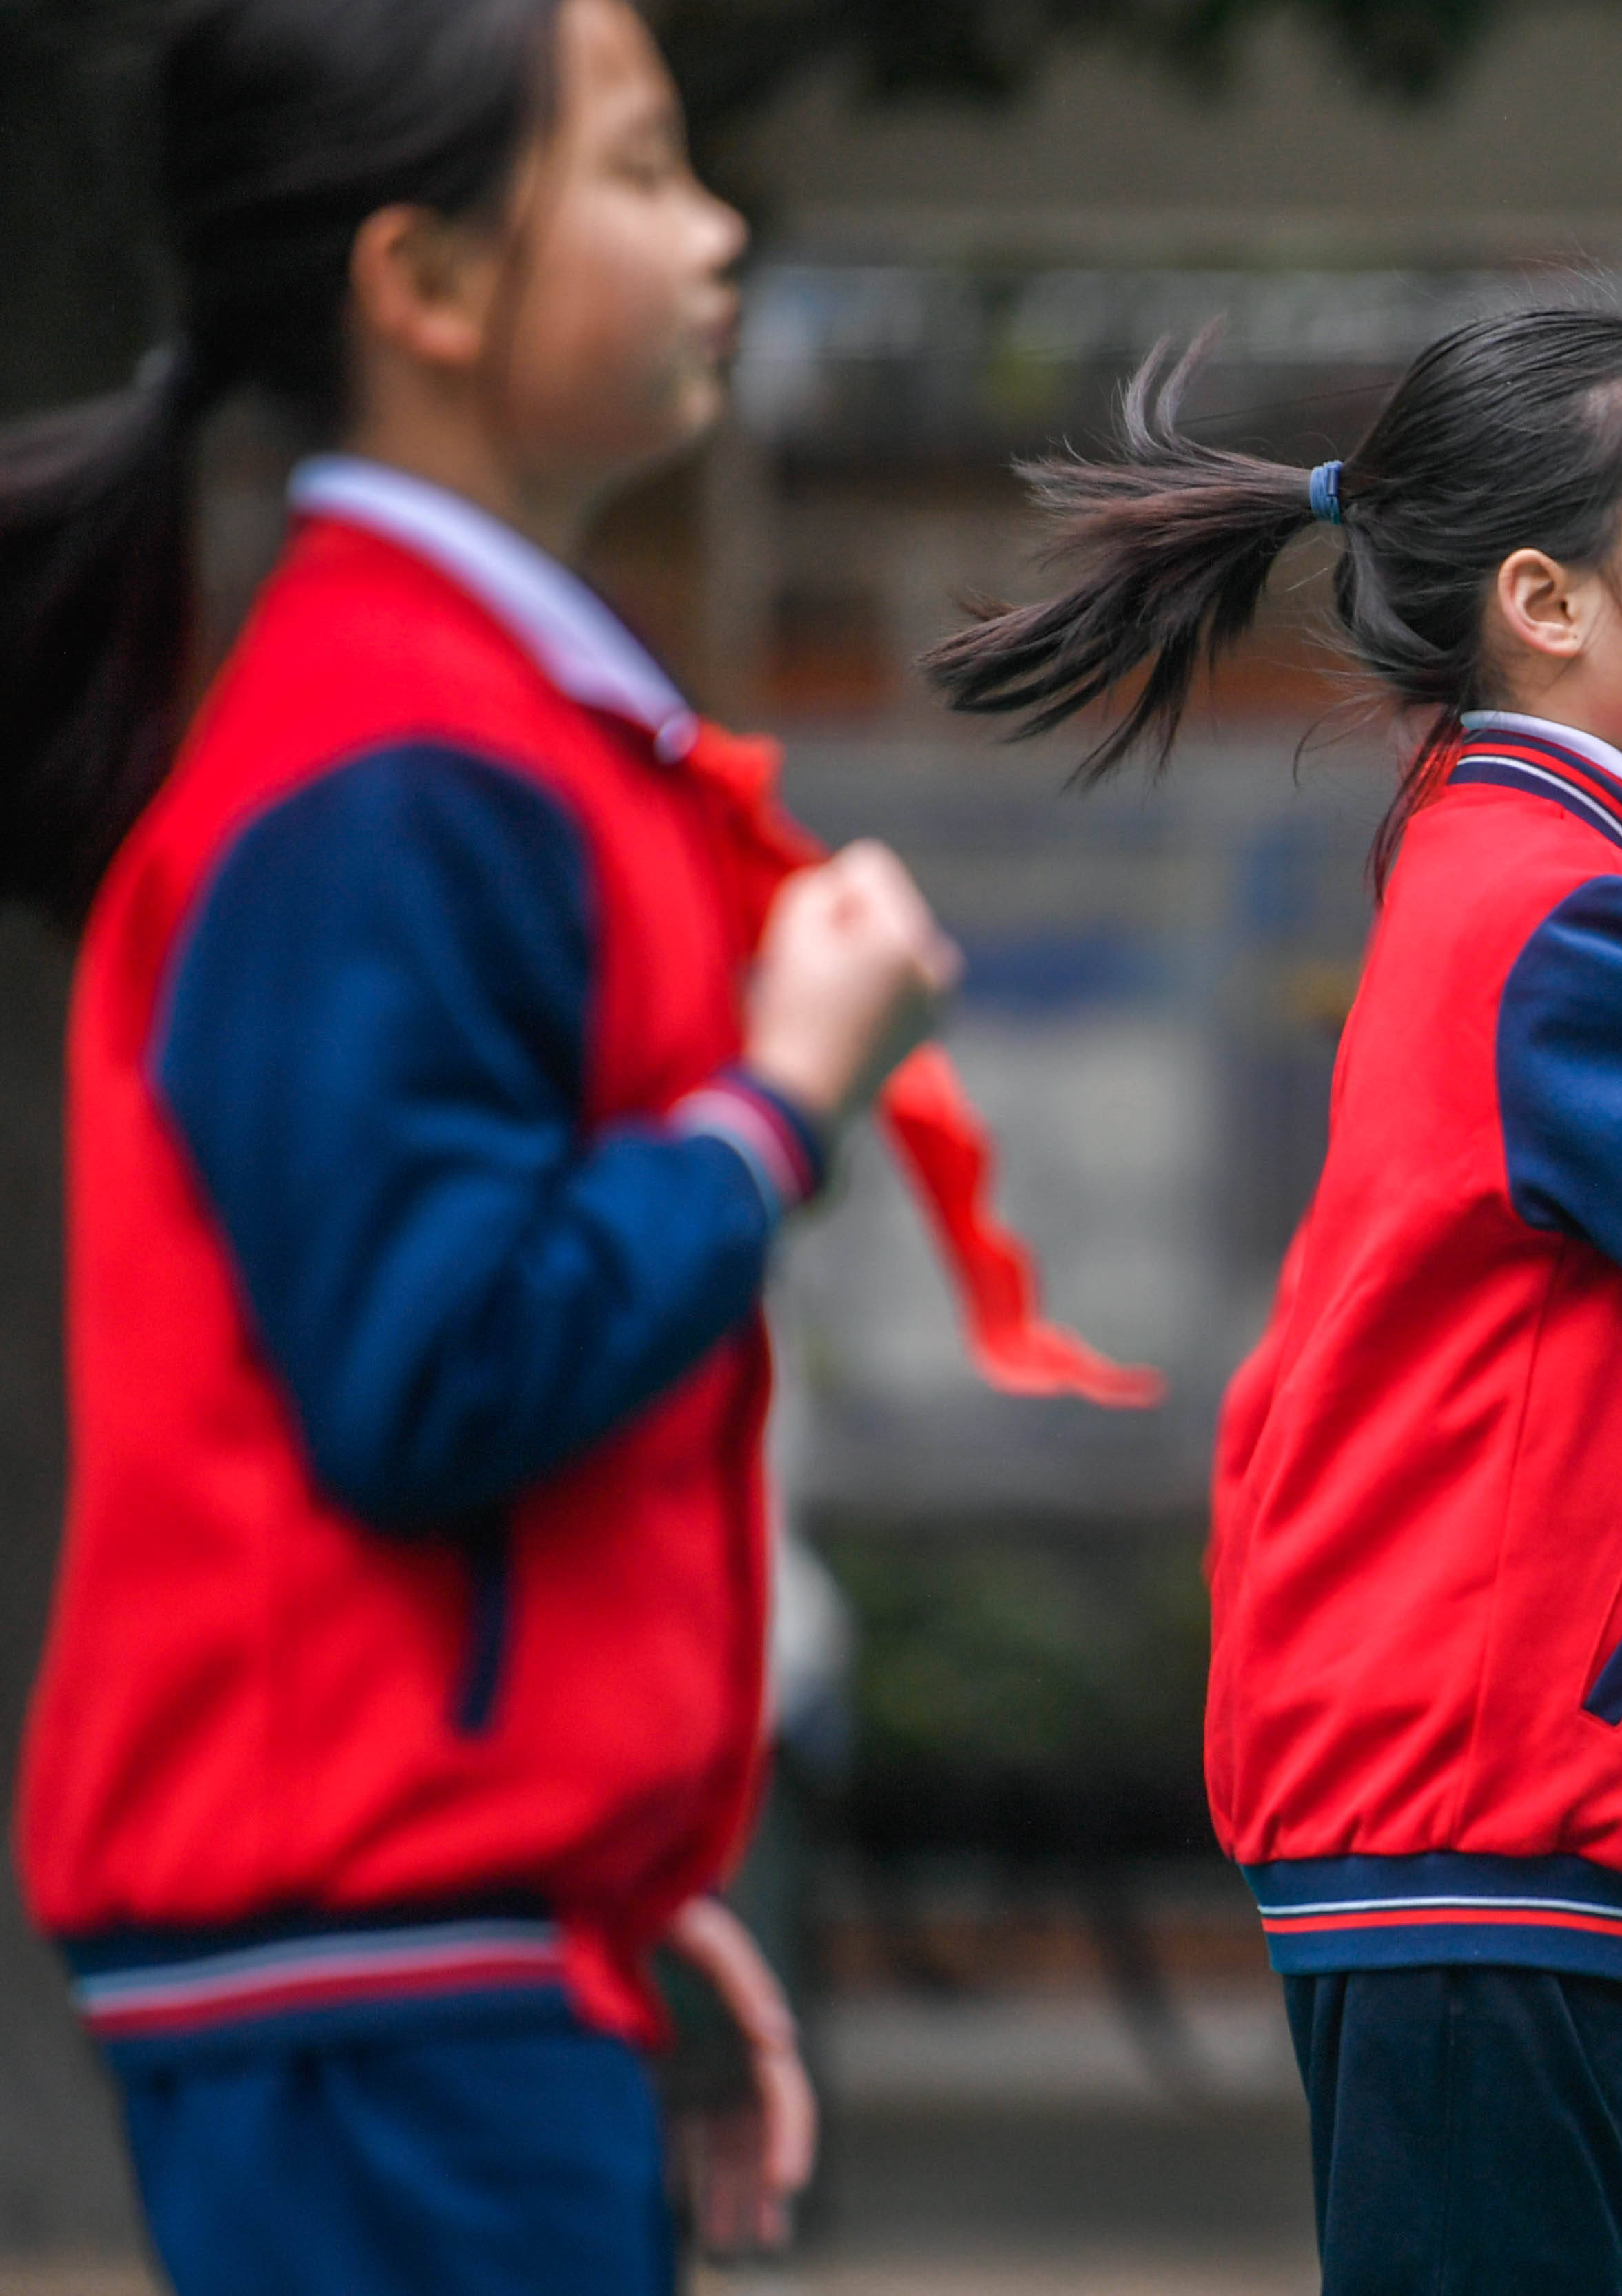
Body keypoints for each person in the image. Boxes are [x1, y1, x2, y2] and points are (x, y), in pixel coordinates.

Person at [2, 2, 960, 2286]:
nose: (717, 228)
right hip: (370, 1941)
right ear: (423, 286)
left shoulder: (454, 725)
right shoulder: (401, 761)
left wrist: (601, 1897)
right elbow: (432, 1369)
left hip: (426, 1931)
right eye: (639, 171)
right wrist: (778, 1102)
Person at [927, 303, 1622, 2295]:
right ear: (1548, 600)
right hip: (1478, 1808)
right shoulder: (1564, 906)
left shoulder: (1546, 871)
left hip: (1498, 1806)